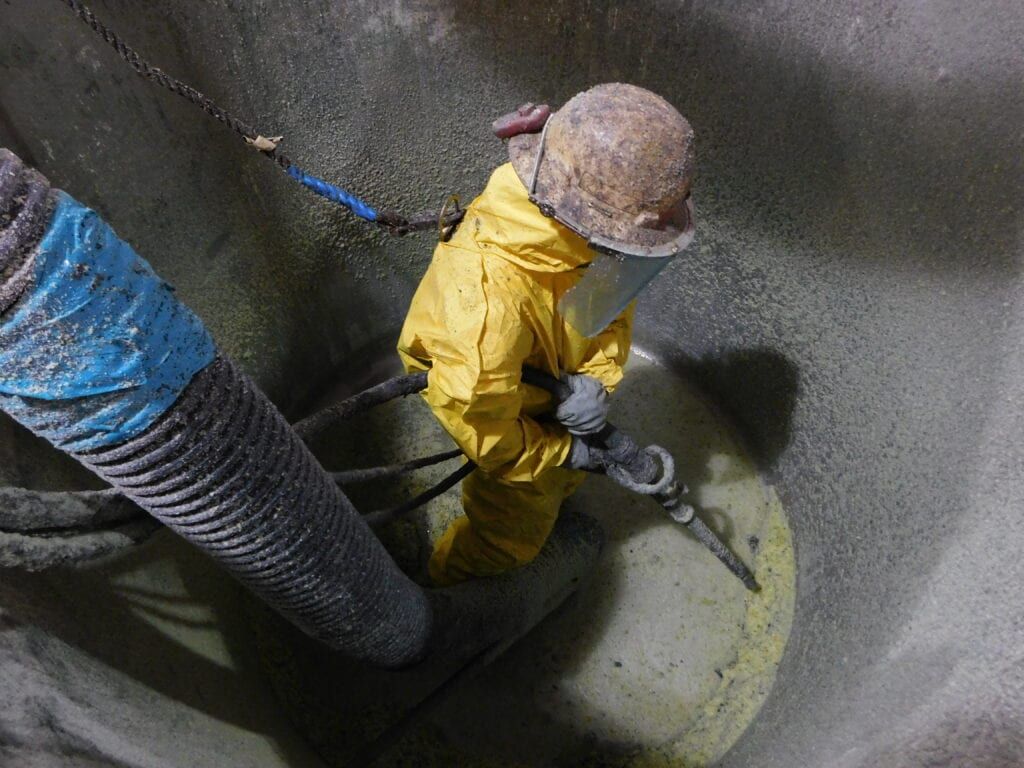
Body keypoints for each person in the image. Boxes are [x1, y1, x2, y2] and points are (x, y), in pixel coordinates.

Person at [397, 83, 696, 586]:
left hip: (539, 382)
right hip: (493, 411)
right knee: (509, 534)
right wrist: (566, 451)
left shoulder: (576, 231)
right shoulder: (484, 308)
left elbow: (609, 306)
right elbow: (486, 429)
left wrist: (595, 381)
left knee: (558, 481)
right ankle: (449, 594)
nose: (631, 251)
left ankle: (554, 484)